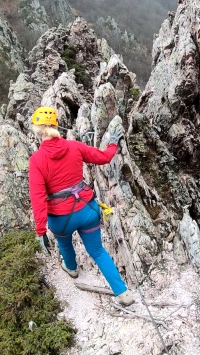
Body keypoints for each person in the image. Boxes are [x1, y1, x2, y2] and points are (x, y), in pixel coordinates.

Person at [28, 106, 135, 306]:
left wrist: (40, 230)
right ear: (56, 127)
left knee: (65, 243)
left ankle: (72, 269)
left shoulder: (37, 160)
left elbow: (38, 198)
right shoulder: (74, 146)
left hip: (61, 219)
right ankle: (123, 293)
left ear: (37, 130)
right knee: (97, 251)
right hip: (87, 210)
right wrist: (113, 142)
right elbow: (104, 157)